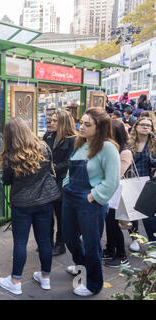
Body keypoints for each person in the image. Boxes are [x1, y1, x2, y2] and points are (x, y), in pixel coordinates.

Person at [0, 118, 61, 295]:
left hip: (22, 204)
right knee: (44, 240)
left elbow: (7, 181)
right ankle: (46, 278)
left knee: (20, 242)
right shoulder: (44, 147)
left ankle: (16, 281)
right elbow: (49, 170)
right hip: (45, 201)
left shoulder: (11, 155)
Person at [62, 107, 120, 296]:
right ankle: (82, 267)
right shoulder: (81, 143)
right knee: (69, 237)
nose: (82, 127)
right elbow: (71, 170)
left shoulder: (108, 147)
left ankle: (94, 284)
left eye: (88, 124)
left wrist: (92, 196)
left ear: (100, 127)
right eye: (82, 123)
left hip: (90, 202)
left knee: (92, 243)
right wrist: (66, 184)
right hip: (70, 197)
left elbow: (112, 181)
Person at [43, 110, 77, 256]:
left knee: (61, 214)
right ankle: (47, 241)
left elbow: (70, 162)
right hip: (47, 180)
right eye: (51, 120)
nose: (51, 123)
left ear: (63, 122)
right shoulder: (48, 136)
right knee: (47, 213)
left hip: (62, 181)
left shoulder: (73, 140)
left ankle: (60, 244)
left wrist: (52, 168)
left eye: (55, 121)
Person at [103, 120, 133, 268]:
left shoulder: (125, 151)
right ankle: (110, 249)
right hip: (110, 192)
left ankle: (122, 256)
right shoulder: (111, 147)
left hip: (117, 194)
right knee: (109, 223)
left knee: (114, 224)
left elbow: (117, 174)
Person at [128, 117, 156, 244]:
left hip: (146, 183)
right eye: (142, 124)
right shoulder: (129, 142)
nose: (145, 127)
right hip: (130, 182)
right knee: (131, 213)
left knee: (148, 215)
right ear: (136, 127)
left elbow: (154, 163)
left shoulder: (152, 144)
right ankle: (135, 239)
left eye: (148, 125)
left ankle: (152, 241)